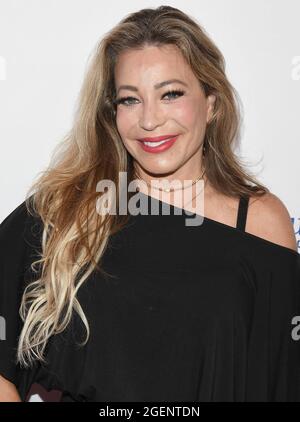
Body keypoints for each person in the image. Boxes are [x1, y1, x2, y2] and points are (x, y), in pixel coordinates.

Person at [0, 5, 299, 402]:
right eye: (130, 100)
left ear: (211, 102)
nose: (149, 120)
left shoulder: (261, 221)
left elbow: (282, 380)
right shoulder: (64, 211)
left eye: (171, 94)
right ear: (112, 112)